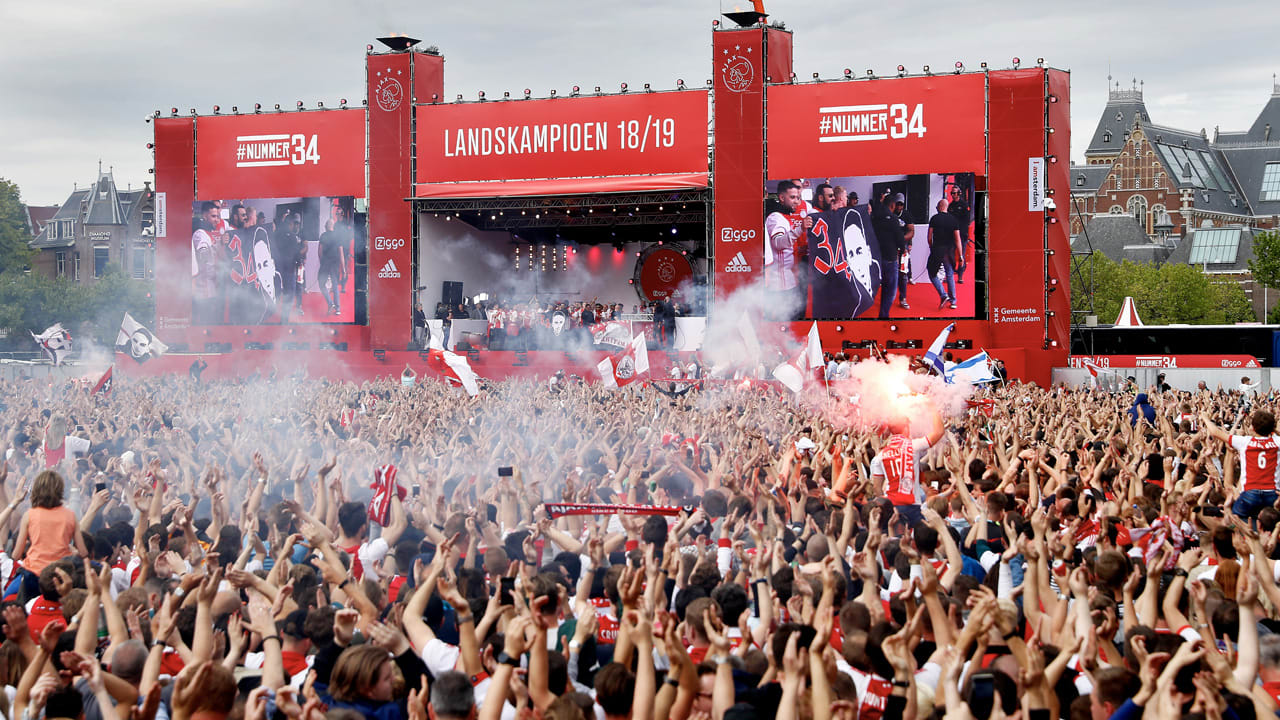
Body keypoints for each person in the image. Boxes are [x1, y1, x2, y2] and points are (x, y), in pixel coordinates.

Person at [12, 470, 87, 600]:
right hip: (62, 574)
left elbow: (16, 555)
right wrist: (72, 551)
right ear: (60, 490)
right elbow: (83, 552)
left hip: (33, 574)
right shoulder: (70, 515)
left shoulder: (29, 515)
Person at [865, 401, 944, 521]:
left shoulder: (880, 456)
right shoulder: (914, 446)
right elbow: (939, 432)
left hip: (891, 507)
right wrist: (933, 407)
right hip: (912, 507)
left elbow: (877, 488)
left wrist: (886, 508)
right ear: (906, 427)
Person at [1203, 409, 1280, 519]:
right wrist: (1272, 429)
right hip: (1272, 493)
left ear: (1253, 428)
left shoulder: (1245, 441)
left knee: (1235, 519)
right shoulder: (1277, 442)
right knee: (1272, 520)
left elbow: (1215, 432)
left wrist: (1205, 417)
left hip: (1250, 493)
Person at [764, 180, 808, 320]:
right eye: (792, 197)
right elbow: (778, 243)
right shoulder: (775, 217)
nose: (797, 201)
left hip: (789, 282)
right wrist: (800, 229)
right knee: (783, 325)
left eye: (798, 198)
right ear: (782, 198)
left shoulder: (784, 216)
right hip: (780, 287)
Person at [927, 198, 962, 310]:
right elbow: (958, 239)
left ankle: (943, 294)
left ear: (939, 206)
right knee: (950, 274)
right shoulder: (953, 220)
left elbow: (929, 237)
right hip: (949, 250)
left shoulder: (934, 218)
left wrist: (931, 247)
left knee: (932, 273)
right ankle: (953, 301)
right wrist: (961, 255)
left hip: (937, 249)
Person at [319, 220, 347, 316]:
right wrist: (343, 269)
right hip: (335, 264)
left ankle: (330, 303)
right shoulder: (338, 236)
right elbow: (341, 253)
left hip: (325, 263)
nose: (324, 226)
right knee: (335, 284)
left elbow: (320, 251)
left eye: (325, 224)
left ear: (327, 225)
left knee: (321, 284)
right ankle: (338, 309)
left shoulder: (323, 236)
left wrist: (321, 263)